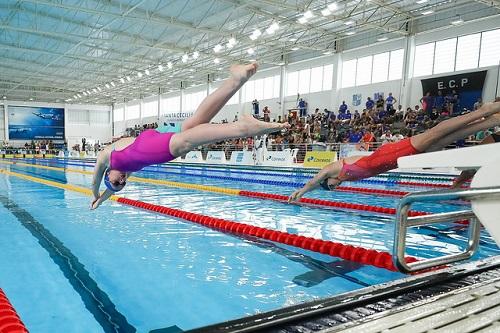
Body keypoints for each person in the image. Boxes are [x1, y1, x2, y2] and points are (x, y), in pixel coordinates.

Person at [90, 64, 289, 210]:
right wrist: (103, 198)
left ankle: (244, 127)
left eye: (117, 182)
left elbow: (96, 179)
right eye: (122, 185)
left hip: (152, 146)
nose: (122, 182)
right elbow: (110, 188)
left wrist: (95, 194)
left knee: (186, 143)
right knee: (197, 121)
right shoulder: (126, 169)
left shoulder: (107, 157)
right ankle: (236, 80)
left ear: (108, 174)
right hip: (156, 136)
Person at [288, 102, 500, 202]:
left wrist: (301, 192)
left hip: (391, 154)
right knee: (445, 139)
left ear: (329, 182)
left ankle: (484, 111)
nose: (335, 189)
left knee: (436, 132)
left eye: (331, 188)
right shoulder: (343, 178)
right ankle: (491, 121)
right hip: (396, 160)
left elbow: (315, 179)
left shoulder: (334, 169)